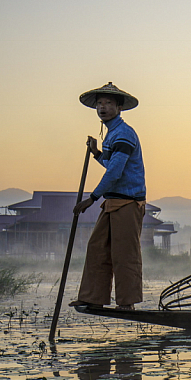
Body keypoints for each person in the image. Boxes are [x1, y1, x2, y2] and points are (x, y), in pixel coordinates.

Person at [70, 82, 146, 311]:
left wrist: (91, 199)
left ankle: (127, 302)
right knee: (97, 248)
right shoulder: (112, 134)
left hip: (128, 202)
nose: (103, 108)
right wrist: (96, 153)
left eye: (109, 104)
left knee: (124, 253)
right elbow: (110, 163)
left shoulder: (124, 133)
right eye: (100, 104)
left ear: (119, 107)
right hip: (113, 201)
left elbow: (115, 172)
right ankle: (92, 297)